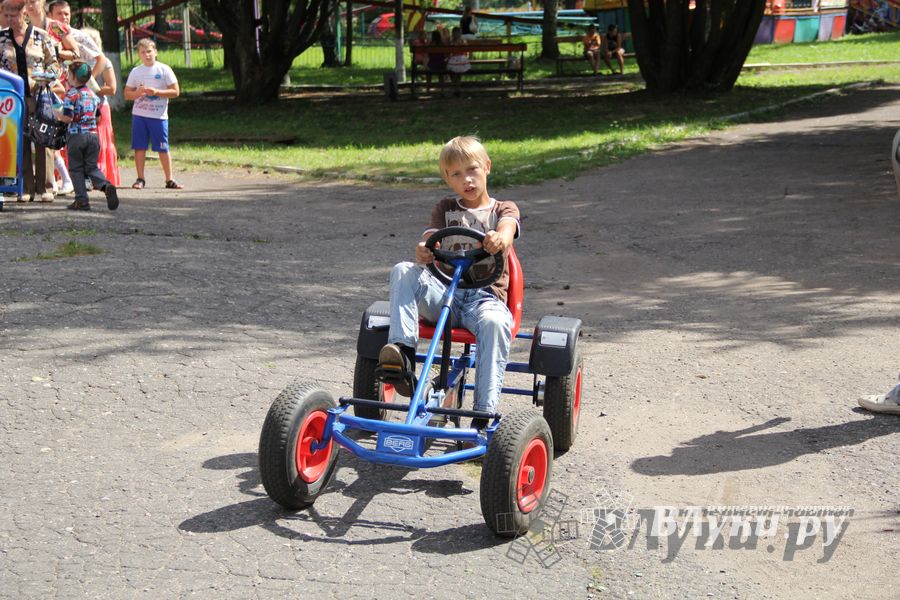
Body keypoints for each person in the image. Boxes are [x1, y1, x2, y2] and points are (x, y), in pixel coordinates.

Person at [377, 136, 520, 430]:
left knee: (494, 323)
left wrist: (499, 238)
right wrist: (423, 250)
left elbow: (508, 229)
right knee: (403, 269)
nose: (466, 179)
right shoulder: (444, 208)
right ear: (447, 179)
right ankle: (402, 356)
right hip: (444, 294)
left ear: (487, 168)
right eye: (456, 174)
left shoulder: (503, 209)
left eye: (472, 170)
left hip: (484, 299)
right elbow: (431, 236)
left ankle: (483, 413)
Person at [0, 0, 61, 203]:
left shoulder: (41, 36)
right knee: (20, 141)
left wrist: (46, 77)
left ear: (24, 13)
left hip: (40, 96)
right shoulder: (0, 38)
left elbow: (54, 64)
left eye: (13, 15)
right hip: (13, 99)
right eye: (6, 15)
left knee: (44, 139)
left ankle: (46, 187)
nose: (9, 20)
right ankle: (25, 187)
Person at [54, 60, 117, 211]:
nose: (67, 76)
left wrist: (58, 114)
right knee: (91, 167)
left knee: (76, 169)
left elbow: (68, 117)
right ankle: (105, 185)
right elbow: (97, 117)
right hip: (93, 136)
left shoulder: (71, 94)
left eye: (69, 74)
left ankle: (82, 200)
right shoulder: (92, 94)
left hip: (76, 136)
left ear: (74, 78)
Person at [124, 38, 182, 190]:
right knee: (139, 147)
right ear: (139, 54)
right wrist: (137, 93)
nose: (147, 55)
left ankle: (169, 179)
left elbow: (175, 91)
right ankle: (140, 178)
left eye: (149, 51)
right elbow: (127, 94)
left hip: (158, 116)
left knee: (163, 147)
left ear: (155, 52)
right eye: (143, 52)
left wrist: (157, 92)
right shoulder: (136, 72)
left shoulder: (164, 69)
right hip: (139, 115)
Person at [446, 26, 470, 96]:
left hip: (457, 58)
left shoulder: (459, 41)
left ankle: (457, 88)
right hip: (458, 58)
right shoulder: (460, 40)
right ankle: (457, 88)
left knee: (455, 73)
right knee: (454, 73)